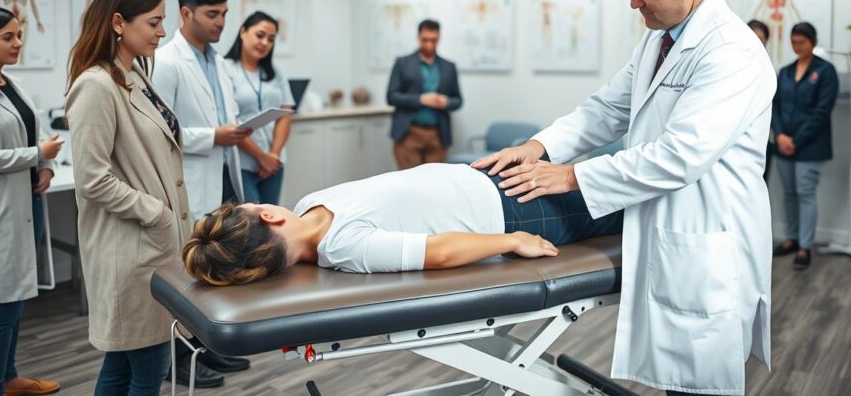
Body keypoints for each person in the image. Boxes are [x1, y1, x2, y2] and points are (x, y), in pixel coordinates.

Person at [473, 0, 776, 395]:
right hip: (665, 223)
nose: (634, 1)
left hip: (707, 233)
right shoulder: (659, 37)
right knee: (678, 378)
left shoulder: (731, 51)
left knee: (699, 382)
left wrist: (572, 176)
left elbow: (680, 156)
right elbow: (607, 108)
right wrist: (537, 146)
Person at [181, 163, 623, 284]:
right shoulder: (344, 248)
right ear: (270, 215)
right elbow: (439, 251)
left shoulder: (310, 203)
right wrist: (513, 239)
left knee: (620, 182)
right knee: (629, 203)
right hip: (515, 211)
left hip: (492, 180)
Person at [65, 0, 192, 396]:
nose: (161, 32)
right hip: (131, 247)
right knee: (147, 366)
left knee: (123, 364)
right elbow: (92, 178)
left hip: (149, 246)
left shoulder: (132, 73)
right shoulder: (96, 86)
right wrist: (156, 213)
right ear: (119, 22)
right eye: (154, 23)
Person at [150, 0, 251, 386]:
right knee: (185, 274)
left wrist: (232, 132)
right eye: (213, 14)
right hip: (190, 180)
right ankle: (179, 357)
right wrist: (214, 136)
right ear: (186, 12)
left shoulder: (218, 61)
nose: (221, 22)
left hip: (224, 173)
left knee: (215, 270)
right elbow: (159, 129)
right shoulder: (168, 61)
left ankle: (210, 348)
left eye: (225, 14)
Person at [0, 5, 63, 396]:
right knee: (3, 306)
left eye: (19, 35)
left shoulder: (12, 83)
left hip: (31, 201)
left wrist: (45, 166)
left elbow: (33, 134)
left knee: (18, 299)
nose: (18, 44)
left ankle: (9, 378)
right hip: (1, 211)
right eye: (7, 37)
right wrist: (36, 153)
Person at [770, 22, 839, 270]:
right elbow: (775, 105)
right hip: (783, 143)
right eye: (794, 42)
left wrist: (795, 140)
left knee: (805, 193)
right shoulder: (786, 71)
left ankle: (805, 246)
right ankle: (791, 238)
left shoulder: (826, 71)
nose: (797, 47)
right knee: (789, 193)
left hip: (809, 146)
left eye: (802, 42)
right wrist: (779, 135)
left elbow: (821, 112)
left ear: (813, 41)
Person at [224, 11, 295, 205]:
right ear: (243, 32)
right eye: (260, 35)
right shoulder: (225, 68)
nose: (265, 43)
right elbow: (229, 121)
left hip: (274, 162)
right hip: (242, 162)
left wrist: (273, 155)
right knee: (250, 224)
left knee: (271, 222)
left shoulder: (275, 72)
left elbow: (285, 114)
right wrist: (260, 156)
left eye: (271, 39)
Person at [386, 19, 463, 169]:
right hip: (408, 134)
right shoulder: (402, 63)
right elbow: (391, 96)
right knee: (409, 184)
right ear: (418, 37)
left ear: (439, 38)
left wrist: (446, 102)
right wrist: (421, 99)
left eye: (433, 40)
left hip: (438, 136)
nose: (429, 44)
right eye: (425, 40)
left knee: (434, 186)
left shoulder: (449, 67)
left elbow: (458, 100)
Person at [748, 19, 773, 183]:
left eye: (761, 39)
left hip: (762, 139)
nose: (757, 42)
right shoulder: (729, 62)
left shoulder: (768, 67)